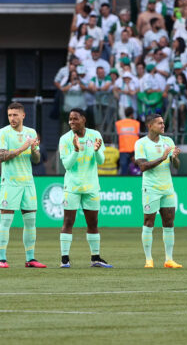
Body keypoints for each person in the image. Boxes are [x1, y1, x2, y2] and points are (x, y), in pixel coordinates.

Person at [58, 108, 112, 269]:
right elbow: (67, 165)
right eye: (70, 119)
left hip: (91, 186)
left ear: (84, 119)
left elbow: (101, 161)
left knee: (93, 222)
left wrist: (96, 151)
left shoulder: (95, 135)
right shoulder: (65, 139)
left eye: (75, 119)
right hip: (72, 186)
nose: (72, 122)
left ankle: (95, 258)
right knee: (68, 221)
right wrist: (75, 150)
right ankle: (64, 259)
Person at [0, 103, 45, 269]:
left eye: (15, 115)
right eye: (10, 115)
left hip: (28, 182)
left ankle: (30, 258)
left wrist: (34, 149)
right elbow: (1, 157)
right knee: (6, 220)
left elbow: (36, 160)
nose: (12, 118)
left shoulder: (31, 133)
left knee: (30, 222)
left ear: (23, 115)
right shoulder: (3, 133)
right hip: (10, 182)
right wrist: (22, 148)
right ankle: (2, 259)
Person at [134, 114, 182, 269]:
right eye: (159, 123)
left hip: (167, 188)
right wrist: (162, 158)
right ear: (150, 126)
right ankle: (149, 260)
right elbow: (142, 167)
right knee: (149, 222)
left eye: (163, 123)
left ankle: (169, 259)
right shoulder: (141, 143)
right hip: (151, 189)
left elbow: (177, 166)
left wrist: (174, 158)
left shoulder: (168, 141)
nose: (163, 125)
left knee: (169, 223)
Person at [116, 107, 140, 176]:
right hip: (134, 150)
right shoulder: (136, 123)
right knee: (136, 171)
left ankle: (124, 185)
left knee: (124, 170)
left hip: (123, 149)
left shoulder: (118, 123)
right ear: (132, 114)